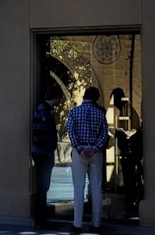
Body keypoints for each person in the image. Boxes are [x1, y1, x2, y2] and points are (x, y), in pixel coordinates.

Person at [65, 87, 109, 234]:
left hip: (80, 152)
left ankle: (77, 224)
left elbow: (71, 131)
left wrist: (80, 148)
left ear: (84, 96)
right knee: (96, 189)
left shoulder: (74, 112)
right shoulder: (100, 113)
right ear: (96, 98)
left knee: (78, 188)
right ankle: (96, 223)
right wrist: (94, 148)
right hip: (95, 152)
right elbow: (104, 134)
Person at [31, 84, 65, 228]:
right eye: (59, 99)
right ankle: (41, 219)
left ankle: (41, 218)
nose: (60, 102)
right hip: (43, 154)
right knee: (42, 186)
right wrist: (48, 149)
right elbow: (40, 133)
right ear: (55, 97)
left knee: (43, 186)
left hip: (42, 153)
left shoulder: (44, 110)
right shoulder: (44, 112)